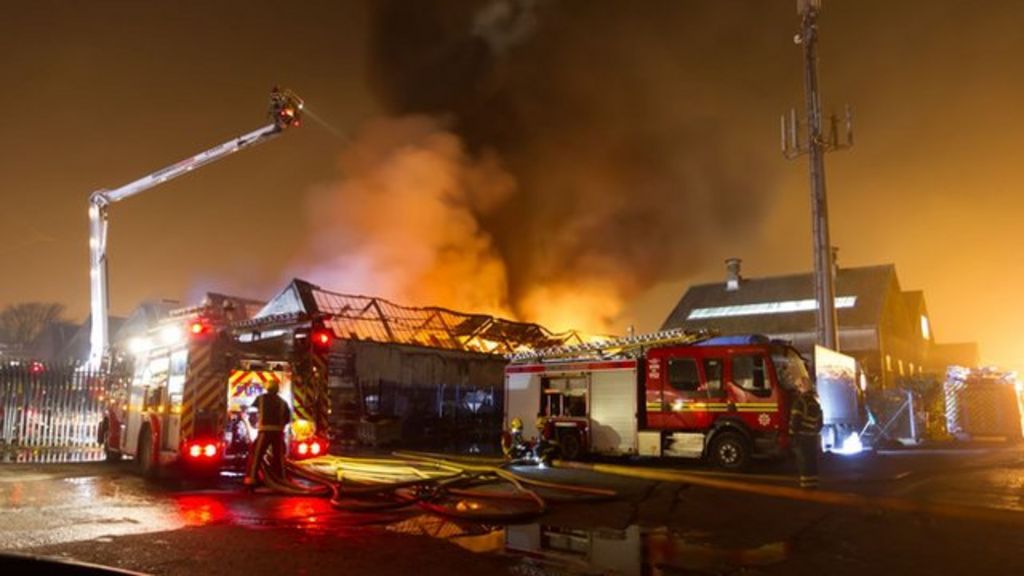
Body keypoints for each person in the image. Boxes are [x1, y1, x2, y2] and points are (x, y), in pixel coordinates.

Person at [244, 381, 292, 490]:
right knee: (279, 457)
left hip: (264, 432)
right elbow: (287, 418)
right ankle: (281, 478)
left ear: (267, 389)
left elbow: (251, 411)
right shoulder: (282, 402)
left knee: (256, 454)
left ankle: (251, 479)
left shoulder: (260, 399)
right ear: (277, 389)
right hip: (278, 433)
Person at [789, 374, 823, 489]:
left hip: (802, 438)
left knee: (804, 462)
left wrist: (792, 434)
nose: (797, 389)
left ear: (801, 387)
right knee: (812, 461)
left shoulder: (800, 402)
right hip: (812, 437)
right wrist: (813, 431)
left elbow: (795, 422)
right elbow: (820, 424)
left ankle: (806, 487)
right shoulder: (816, 403)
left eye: (798, 387)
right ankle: (814, 484)